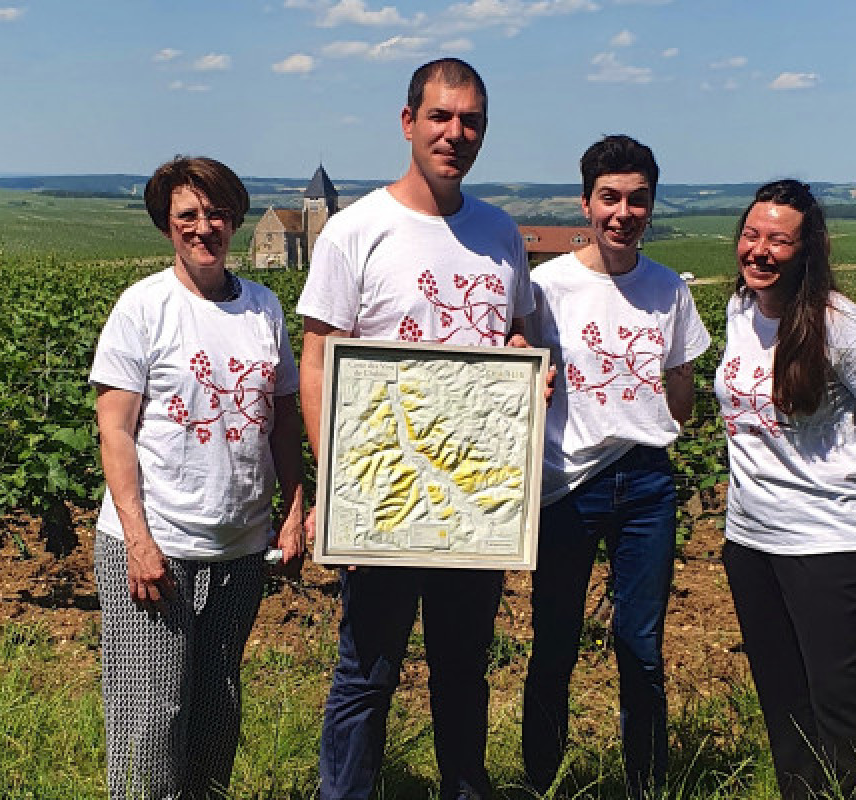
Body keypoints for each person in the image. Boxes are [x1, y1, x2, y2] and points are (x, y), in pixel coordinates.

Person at [296, 58, 534, 800]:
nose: (455, 133)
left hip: (472, 496)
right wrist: (339, 492)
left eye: (470, 121)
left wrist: (528, 370)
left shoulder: (501, 234)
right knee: (366, 673)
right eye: (440, 117)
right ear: (408, 123)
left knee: (463, 669)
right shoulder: (355, 231)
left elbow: (517, 339)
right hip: (385, 490)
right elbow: (317, 365)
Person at [90, 156, 304, 799]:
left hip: (240, 547)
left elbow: (283, 421)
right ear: (167, 225)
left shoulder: (263, 307)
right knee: (152, 717)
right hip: (156, 544)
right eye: (187, 215)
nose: (204, 227)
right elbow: (115, 430)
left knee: (217, 709)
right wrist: (138, 541)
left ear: (235, 221)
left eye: (217, 214)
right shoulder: (143, 307)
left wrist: (295, 510)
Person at [520, 135, 711, 798]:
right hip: (566, 486)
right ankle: (541, 781)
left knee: (641, 648)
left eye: (637, 200)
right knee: (554, 643)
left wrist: (667, 391)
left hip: (647, 481)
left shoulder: (669, 289)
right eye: (609, 198)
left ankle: (645, 786)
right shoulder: (547, 288)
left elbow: (682, 398)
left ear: (651, 206)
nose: (623, 213)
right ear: (586, 203)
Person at [716, 180, 856, 799]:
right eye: (751, 235)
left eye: (778, 240)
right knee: (782, 698)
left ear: (807, 250)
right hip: (749, 539)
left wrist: (844, 473)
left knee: (838, 701)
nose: (760, 250)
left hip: (827, 541)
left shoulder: (840, 323)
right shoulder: (739, 309)